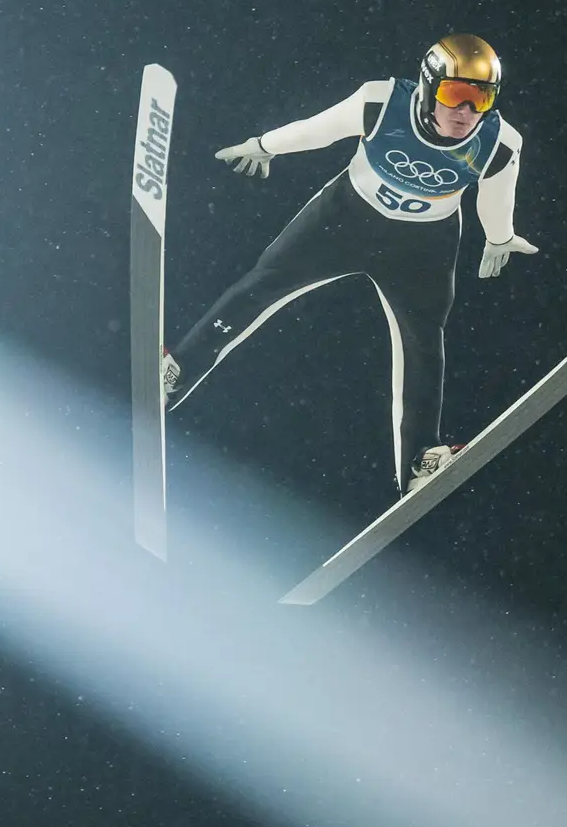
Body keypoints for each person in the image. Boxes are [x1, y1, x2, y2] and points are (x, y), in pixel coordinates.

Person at [162, 34, 536, 494]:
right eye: (454, 94)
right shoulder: (380, 103)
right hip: (344, 220)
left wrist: (500, 238)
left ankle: (420, 458)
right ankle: (176, 371)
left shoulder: (499, 143)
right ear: (427, 86)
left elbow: (498, 197)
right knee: (262, 286)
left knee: (424, 344)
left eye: (480, 98)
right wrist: (266, 145)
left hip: (422, 247)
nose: (465, 112)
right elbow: (318, 129)